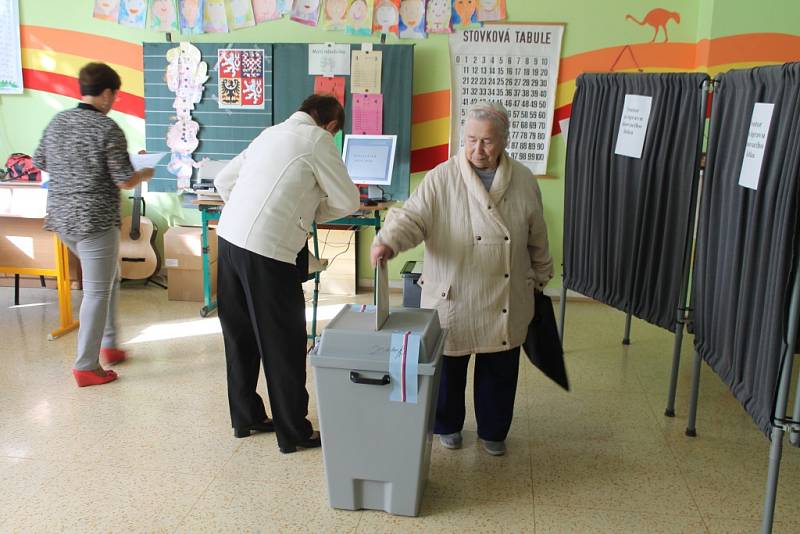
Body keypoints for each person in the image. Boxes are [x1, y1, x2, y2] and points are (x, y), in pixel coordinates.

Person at [371, 101, 553, 456]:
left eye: (486, 141)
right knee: (449, 367)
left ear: (504, 140)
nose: (477, 150)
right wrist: (388, 241)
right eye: (470, 140)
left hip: (506, 292)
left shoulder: (524, 181)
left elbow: (537, 237)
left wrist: (540, 278)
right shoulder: (442, 177)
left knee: (500, 366)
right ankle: (447, 424)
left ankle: (493, 430)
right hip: (454, 291)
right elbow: (412, 218)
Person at [214, 94, 360, 453]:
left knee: (240, 337)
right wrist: (307, 213)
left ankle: (245, 417)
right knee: (284, 343)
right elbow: (348, 200)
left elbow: (222, 180)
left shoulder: (270, 133)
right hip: (268, 251)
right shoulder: (318, 140)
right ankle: (293, 431)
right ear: (329, 125)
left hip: (229, 240)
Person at [33, 62, 154, 387]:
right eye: (113, 94)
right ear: (105, 93)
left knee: (109, 279)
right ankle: (86, 365)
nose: (114, 101)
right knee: (98, 292)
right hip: (94, 220)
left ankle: (110, 344)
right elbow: (125, 180)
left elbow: (38, 160)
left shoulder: (58, 120)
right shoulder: (107, 128)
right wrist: (145, 172)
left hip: (61, 216)